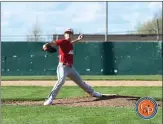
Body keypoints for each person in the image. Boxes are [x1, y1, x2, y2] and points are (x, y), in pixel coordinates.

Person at [42, 28, 103, 106]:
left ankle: (93, 93)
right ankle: (50, 99)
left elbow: (71, 43)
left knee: (81, 82)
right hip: (62, 67)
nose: (68, 34)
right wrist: (46, 45)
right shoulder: (63, 41)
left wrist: (78, 40)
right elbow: (54, 43)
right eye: (67, 33)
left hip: (71, 68)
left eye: (70, 33)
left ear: (72, 35)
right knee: (61, 81)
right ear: (64, 34)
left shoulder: (69, 43)